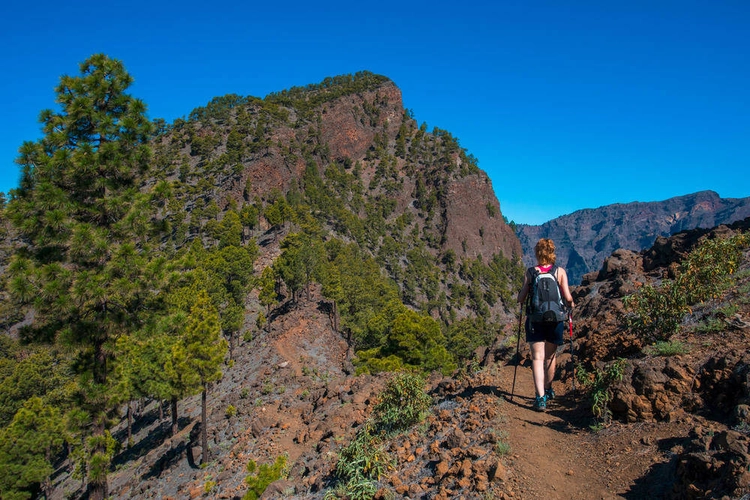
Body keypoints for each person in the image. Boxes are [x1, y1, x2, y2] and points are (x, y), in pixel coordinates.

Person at [516, 238, 575, 411]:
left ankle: (540, 397)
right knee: (550, 357)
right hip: (555, 319)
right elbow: (568, 297)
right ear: (552, 252)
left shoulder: (531, 272)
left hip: (535, 320)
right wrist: (571, 305)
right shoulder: (560, 272)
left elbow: (521, 298)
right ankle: (548, 389)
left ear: (537, 253)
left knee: (537, 358)